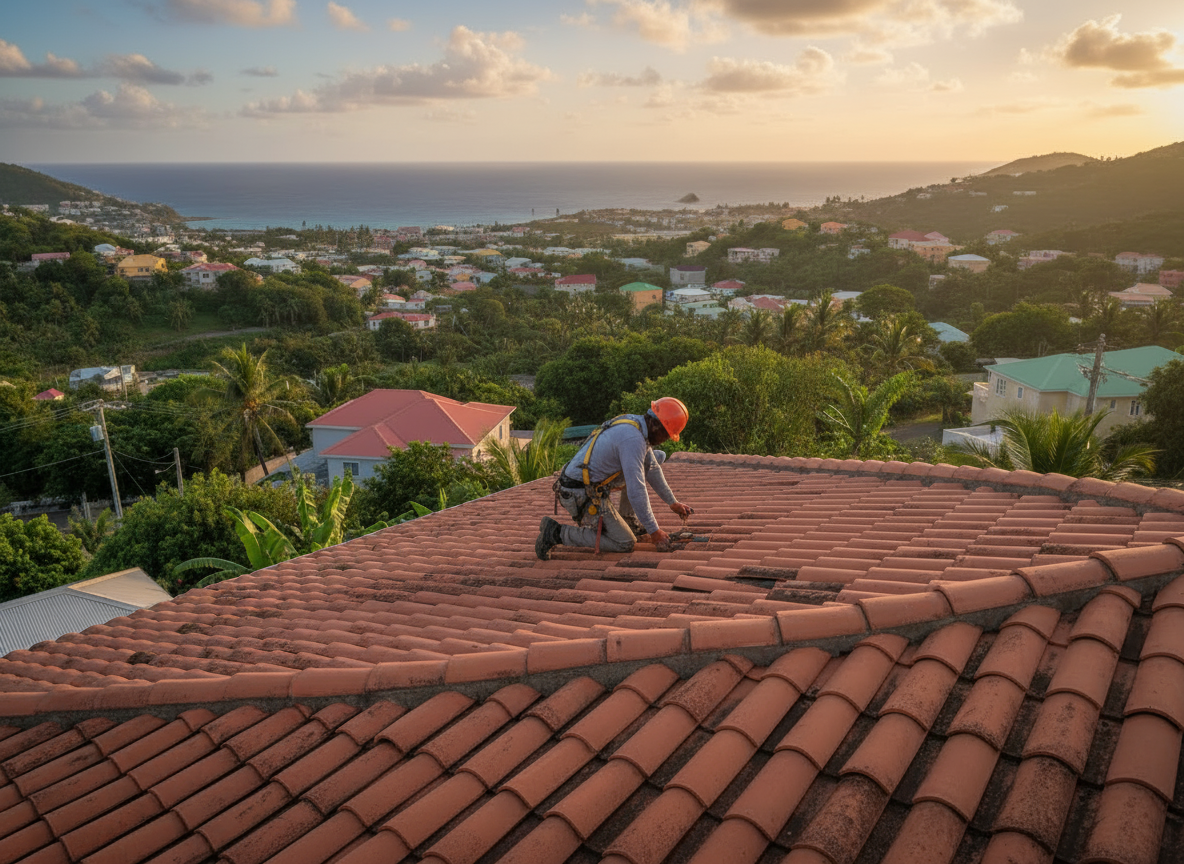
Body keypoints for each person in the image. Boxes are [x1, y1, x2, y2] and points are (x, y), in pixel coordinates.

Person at [536, 397, 694, 559]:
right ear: (655, 425)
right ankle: (556, 533)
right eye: (666, 435)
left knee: (656, 457)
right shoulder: (633, 440)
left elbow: (652, 468)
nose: (665, 439)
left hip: (584, 485)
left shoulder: (636, 424)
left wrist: (672, 502)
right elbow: (636, 490)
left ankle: (628, 521)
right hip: (579, 493)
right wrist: (654, 532)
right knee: (624, 542)